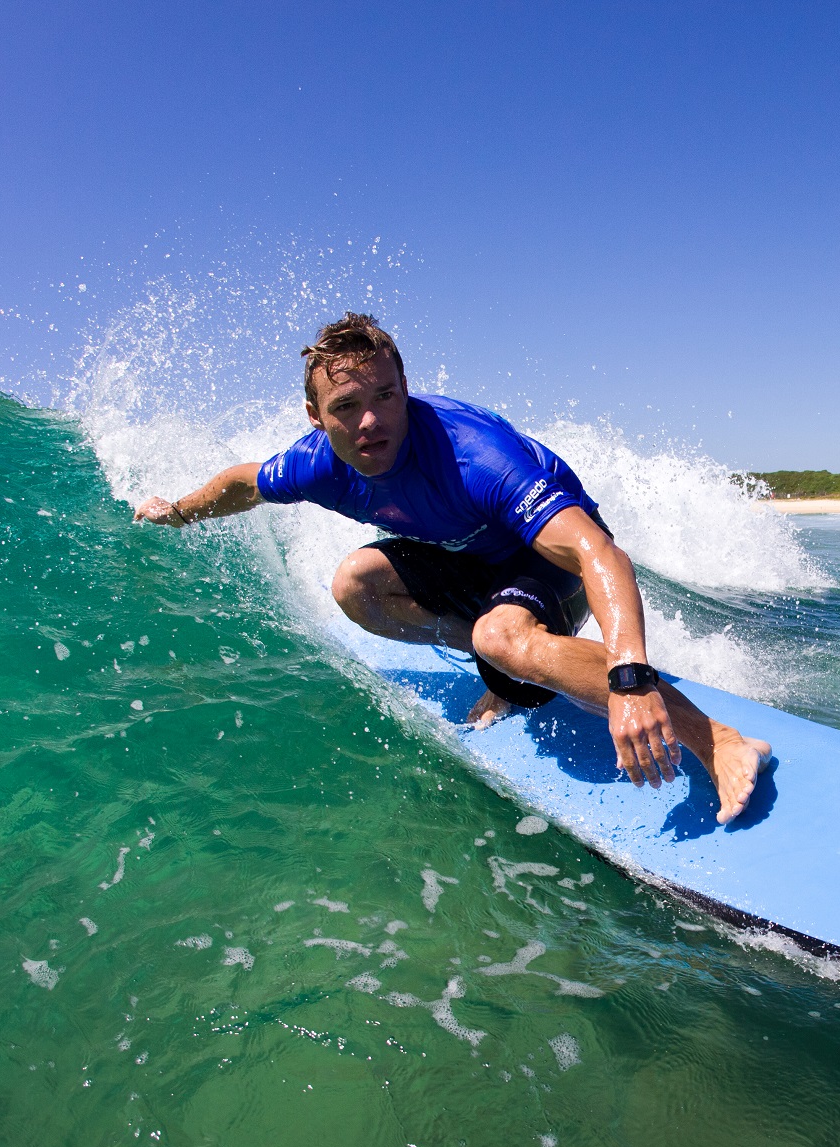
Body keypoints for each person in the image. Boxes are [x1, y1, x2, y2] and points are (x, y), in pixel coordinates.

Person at [133, 315, 772, 823]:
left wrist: (631, 679)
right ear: (316, 417)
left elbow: (595, 554)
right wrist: (180, 512)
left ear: (405, 389)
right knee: (355, 586)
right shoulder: (316, 464)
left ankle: (715, 738)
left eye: (386, 396)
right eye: (348, 405)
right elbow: (243, 483)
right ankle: (501, 661)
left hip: (548, 564)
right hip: (469, 561)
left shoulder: (474, 458)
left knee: (501, 637)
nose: (372, 420)